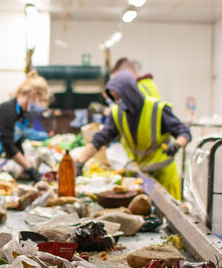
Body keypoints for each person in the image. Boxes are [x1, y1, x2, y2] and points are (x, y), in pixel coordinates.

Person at [72, 70, 190, 199]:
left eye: (119, 96)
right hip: (144, 174)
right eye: (114, 98)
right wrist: (81, 161)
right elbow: (100, 139)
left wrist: (177, 144)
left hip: (164, 175)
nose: (118, 101)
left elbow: (183, 131)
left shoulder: (157, 108)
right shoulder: (118, 113)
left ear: (130, 92)